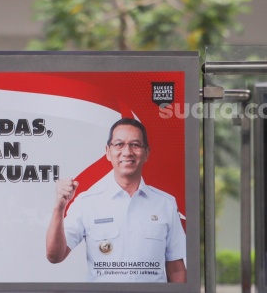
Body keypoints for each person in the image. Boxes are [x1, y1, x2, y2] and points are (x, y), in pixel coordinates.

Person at [45, 118, 187, 283]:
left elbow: (176, 269)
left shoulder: (166, 204)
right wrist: (59, 207)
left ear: (146, 152)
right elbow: (54, 255)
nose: (127, 152)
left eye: (135, 144)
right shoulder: (87, 202)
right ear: (107, 151)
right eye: (119, 144)